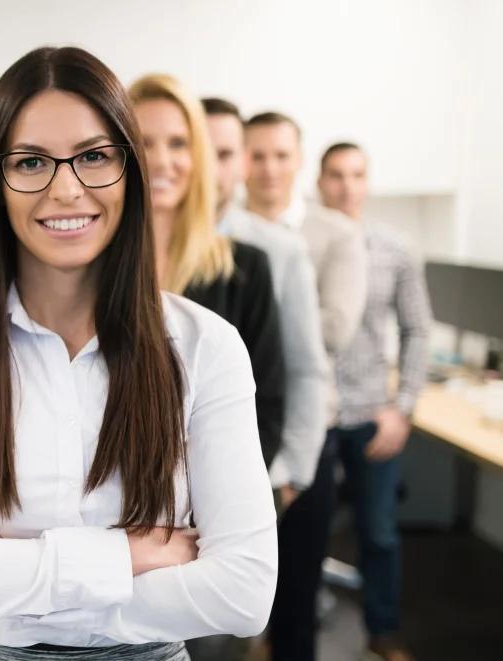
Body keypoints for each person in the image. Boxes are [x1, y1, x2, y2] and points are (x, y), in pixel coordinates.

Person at [0, 46, 276, 661]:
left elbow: (245, 592)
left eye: (95, 157)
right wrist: (128, 556)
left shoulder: (206, 346)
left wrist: (2, 565)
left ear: (130, 170)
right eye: (32, 161)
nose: (66, 189)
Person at [244, 111, 369, 661]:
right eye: (257, 155)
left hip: (308, 433)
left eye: (281, 155)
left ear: (298, 162)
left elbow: (335, 328)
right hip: (238, 431)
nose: (269, 168)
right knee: (236, 603)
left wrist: (253, 324)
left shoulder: (335, 234)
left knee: (296, 596)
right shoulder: (220, 230)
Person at [130, 74, 284, 469]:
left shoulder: (247, 269)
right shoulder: (89, 271)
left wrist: (214, 514)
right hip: (107, 514)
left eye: (178, 143)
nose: (162, 160)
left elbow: (265, 408)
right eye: (144, 143)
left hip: (210, 509)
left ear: (199, 155)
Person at [317, 142, 431, 661]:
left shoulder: (395, 250)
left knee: (379, 533)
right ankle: (278, 635)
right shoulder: (300, 243)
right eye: (336, 175)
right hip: (312, 415)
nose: (346, 186)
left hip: (370, 415)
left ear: (368, 182)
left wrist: (402, 407)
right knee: (295, 536)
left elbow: (417, 330)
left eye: (356, 175)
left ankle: (382, 632)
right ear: (319, 181)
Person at [203, 98, 328, 499]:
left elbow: (305, 367)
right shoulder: (143, 248)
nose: (208, 169)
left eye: (223, 155)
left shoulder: (276, 250)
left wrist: (290, 474)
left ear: (241, 163)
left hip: (262, 472)